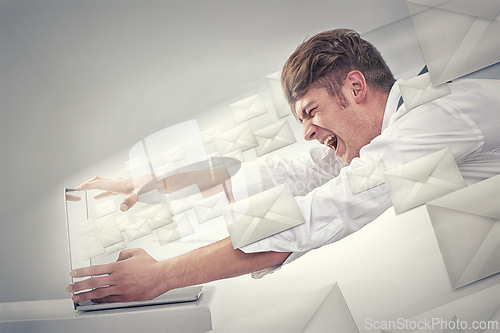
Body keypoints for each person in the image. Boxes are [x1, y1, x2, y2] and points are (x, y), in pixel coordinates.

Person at [66, 28, 500, 303]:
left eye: (311, 111)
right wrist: (158, 181)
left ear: (354, 87)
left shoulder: (432, 120)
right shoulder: (389, 129)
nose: (308, 131)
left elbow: (323, 212)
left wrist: (161, 276)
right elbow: (294, 175)